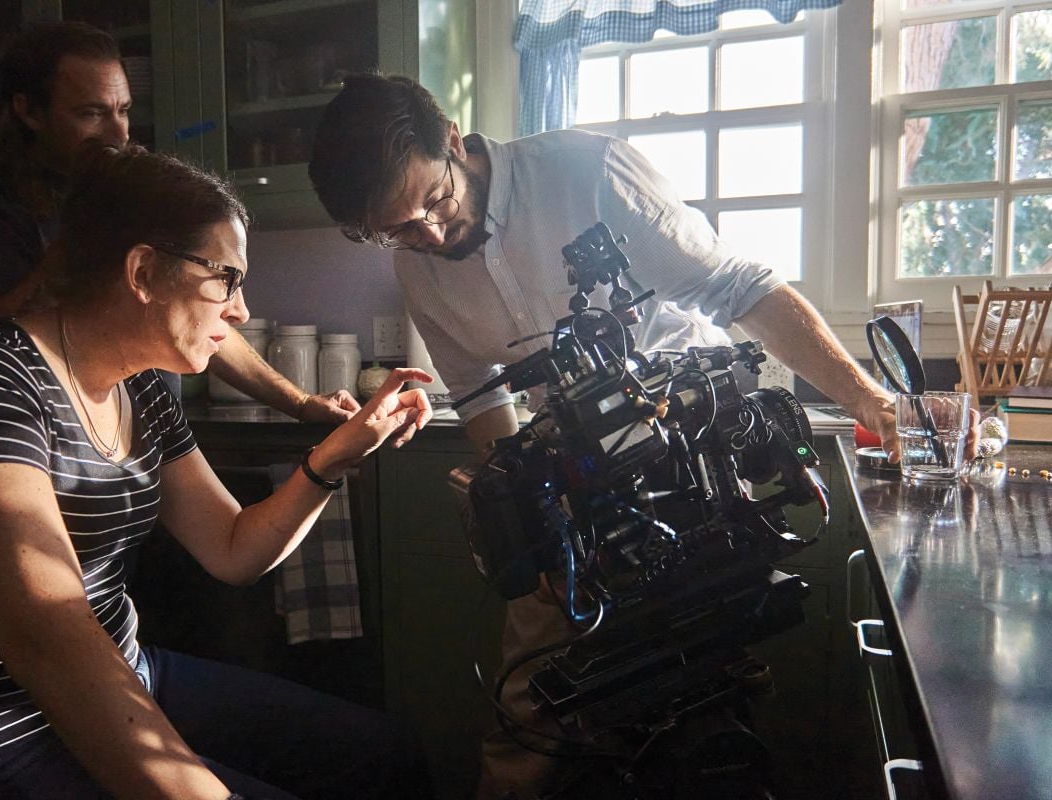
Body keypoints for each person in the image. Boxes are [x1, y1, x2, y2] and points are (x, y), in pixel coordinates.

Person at [307, 73, 923, 799]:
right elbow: (482, 394)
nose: (429, 235)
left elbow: (737, 287)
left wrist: (866, 397)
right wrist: (529, 519)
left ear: (452, 141)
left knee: (697, 685)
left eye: (435, 202)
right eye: (399, 229)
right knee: (531, 702)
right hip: (575, 483)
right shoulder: (418, 268)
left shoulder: (588, 172)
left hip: (690, 465)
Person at [0, 140, 433, 800]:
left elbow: (233, 549)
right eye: (226, 278)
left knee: (385, 755)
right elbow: (46, 643)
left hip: (127, 672)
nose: (241, 309)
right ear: (142, 272)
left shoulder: (146, 391)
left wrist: (334, 457)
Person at [0, 21, 353, 423]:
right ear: (29, 112)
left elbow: (205, 317)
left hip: (148, 418)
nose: (117, 132)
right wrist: (66, 256)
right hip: (57, 423)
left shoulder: (133, 191)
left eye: (123, 110)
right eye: (91, 113)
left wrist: (300, 404)